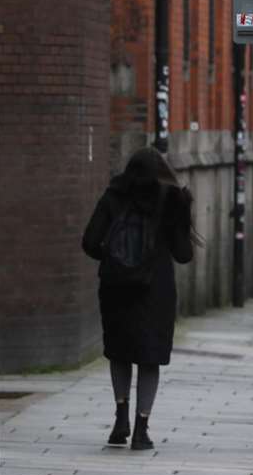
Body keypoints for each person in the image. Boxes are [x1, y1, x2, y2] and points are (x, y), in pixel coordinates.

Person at [81, 147, 196, 451]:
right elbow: (184, 255)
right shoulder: (168, 200)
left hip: (116, 288)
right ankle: (141, 430)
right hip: (154, 291)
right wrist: (183, 212)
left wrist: (114, 259)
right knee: (149, 358)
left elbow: (89, 242)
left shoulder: (113, 195)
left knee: (119, 353)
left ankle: (121, 417)